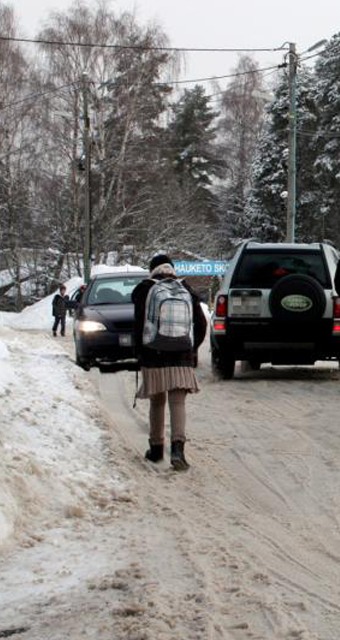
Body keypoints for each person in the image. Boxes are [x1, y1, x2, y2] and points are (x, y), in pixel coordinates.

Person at [132, 253, 207, 470]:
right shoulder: (185, 289)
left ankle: (156, 449)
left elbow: (138, 326)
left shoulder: (145, 289)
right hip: (181, 356)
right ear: (171, 269)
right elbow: (201, 324)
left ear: (152, 270)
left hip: (153, 354)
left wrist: (140, 352)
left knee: (157, 402)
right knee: (178, 402)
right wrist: (191, 348)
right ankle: (178, 451)